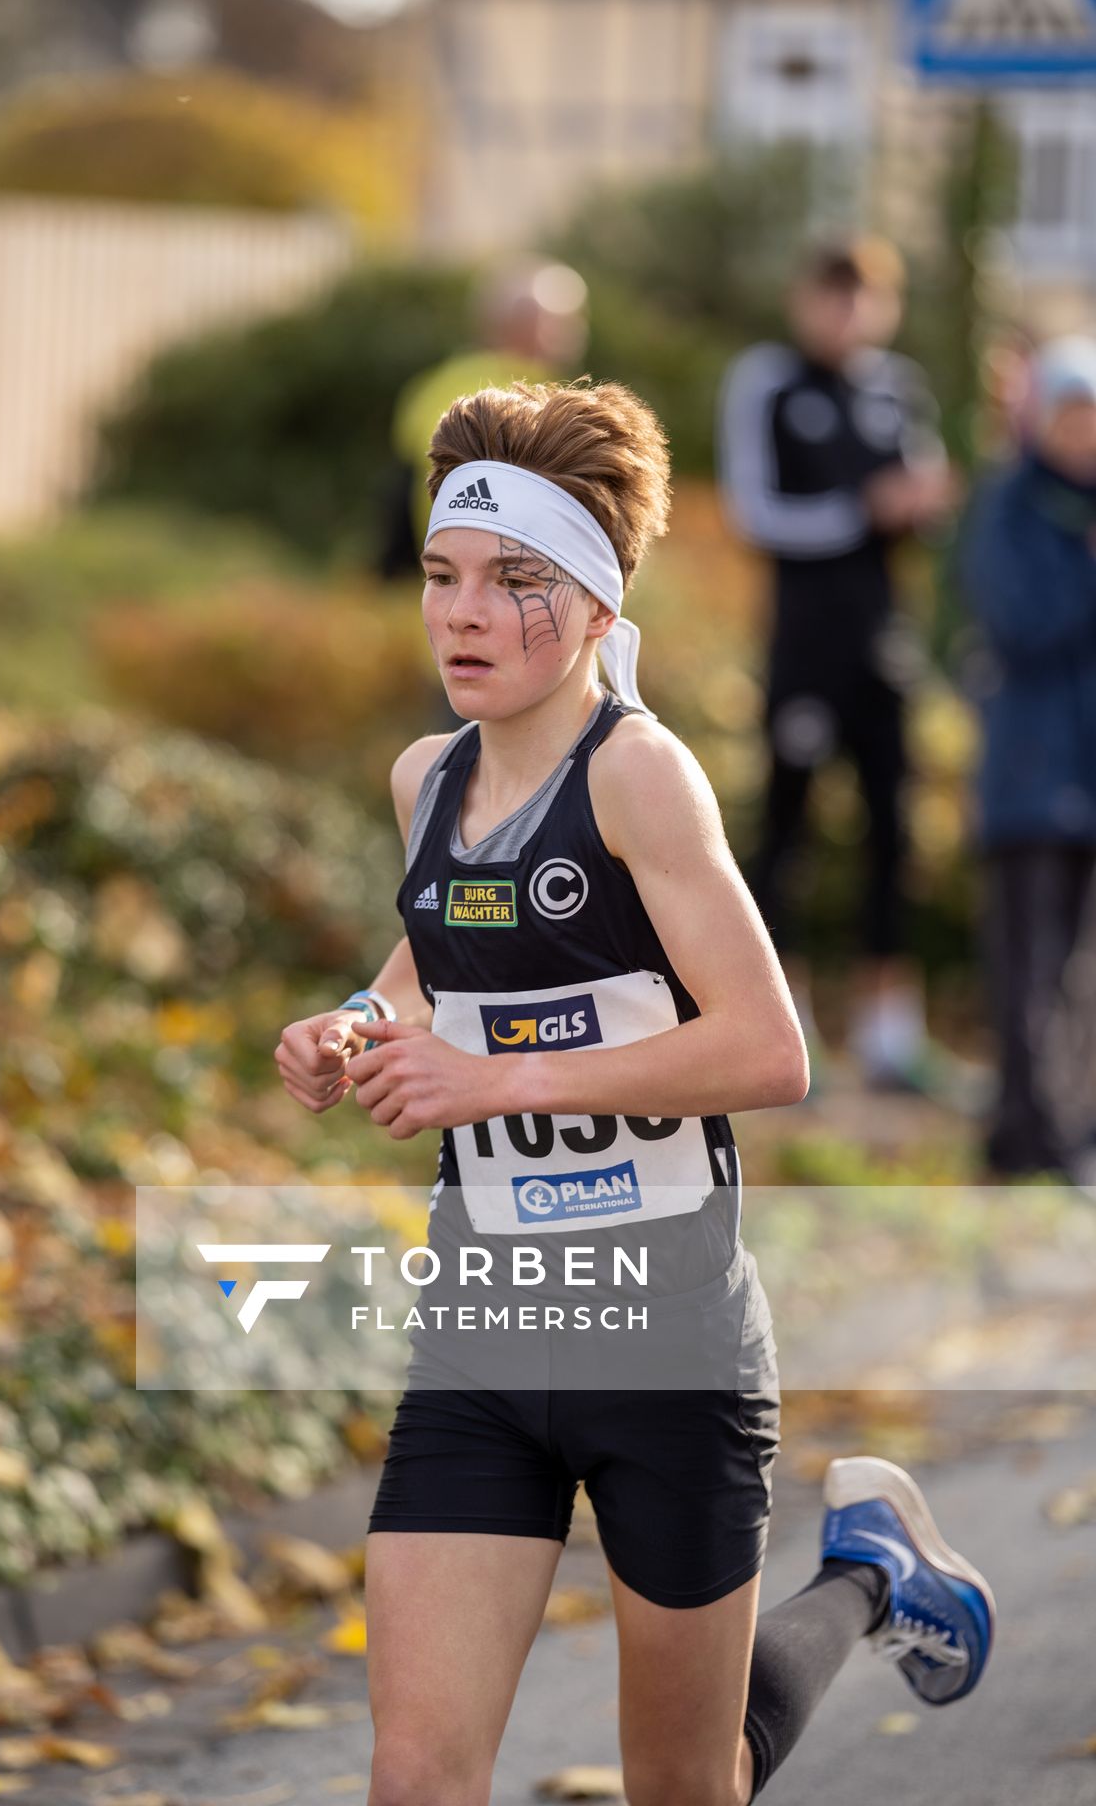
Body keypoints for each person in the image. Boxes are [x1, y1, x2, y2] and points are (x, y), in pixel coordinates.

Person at [275, 380, 995, 1803]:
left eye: (512, 583)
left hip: (666, 1333)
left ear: (598, 607)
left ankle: (868, 1580)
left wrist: (493, 1082)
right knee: (415, 1778)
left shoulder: (641, 779)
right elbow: (436, 953)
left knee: (687, 1782)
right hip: (486, 1327)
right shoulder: (429, 779)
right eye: (442, 576)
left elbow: (768, 1050)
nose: (463, 615)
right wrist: (357, 1023)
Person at [717, 238, 959, 1091]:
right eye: (834, 295)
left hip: (884, 648)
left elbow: (922, 496)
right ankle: (781, 1025)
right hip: (803, 645)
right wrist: (862, 510)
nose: (849, 314)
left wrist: (921, 505)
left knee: (893, 831)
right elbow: (755, 513)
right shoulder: (768, 380)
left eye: (866, 298)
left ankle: (890, 1032)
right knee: (788, 831)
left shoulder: (900, 387)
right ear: (802, 299)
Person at [960, 335, 1096, 1184]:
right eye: (1070, 416)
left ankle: (1075, 1132)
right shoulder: (1008, 507)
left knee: (1083, 975)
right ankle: (1024, 1138)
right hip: (1029, 781)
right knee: (1026, 972)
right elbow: (1017, 620)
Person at [377, 256, 588, 580]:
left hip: (444, 567)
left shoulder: (434, 382)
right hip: (494, 574)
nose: (577, 329)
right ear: (524, 324)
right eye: (564, 319)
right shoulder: (534, 397)